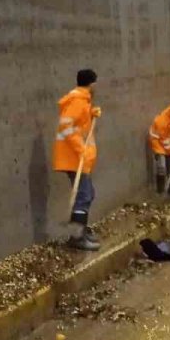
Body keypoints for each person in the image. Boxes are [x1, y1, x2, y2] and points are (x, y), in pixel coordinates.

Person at [53, 69, 102, 251]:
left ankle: (80, 232)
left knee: (88, 194)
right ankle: (77, 237)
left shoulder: (82, 102)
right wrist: (81, 150)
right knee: (84, 195)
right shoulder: (78, 102)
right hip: (74, 158)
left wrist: (91, 113)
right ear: (91, 83)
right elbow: (66, 127)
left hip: (74, 157)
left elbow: (77, 122)